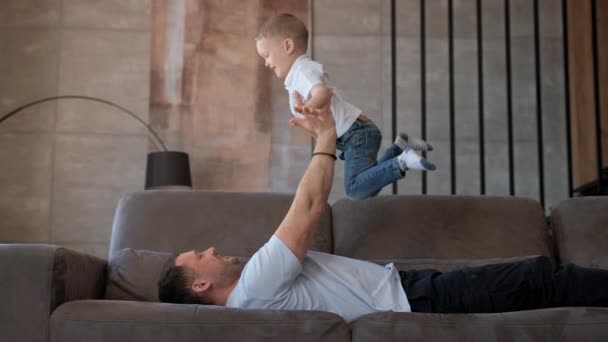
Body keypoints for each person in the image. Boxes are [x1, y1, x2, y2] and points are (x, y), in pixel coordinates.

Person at [158, 103, 608, 323]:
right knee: (542, 280)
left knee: (541, 282)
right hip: (414, 301)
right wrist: (326, 136)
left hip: (407, 288)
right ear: (200, 284)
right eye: (200, 254)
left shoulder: (254, 292)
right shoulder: (254, 287)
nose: (211, 248)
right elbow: (311, 205)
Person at [255, 13, 436, 200]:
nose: (266, 63)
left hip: (356, 134)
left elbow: (323, 93)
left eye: (266, 55)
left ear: (287, 46)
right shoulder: (296, 77)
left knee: (355, 189)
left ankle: (402, 160)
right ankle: (399, 148)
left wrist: (306, 109)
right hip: (354, 135)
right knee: (367, 186)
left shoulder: (302, 70)